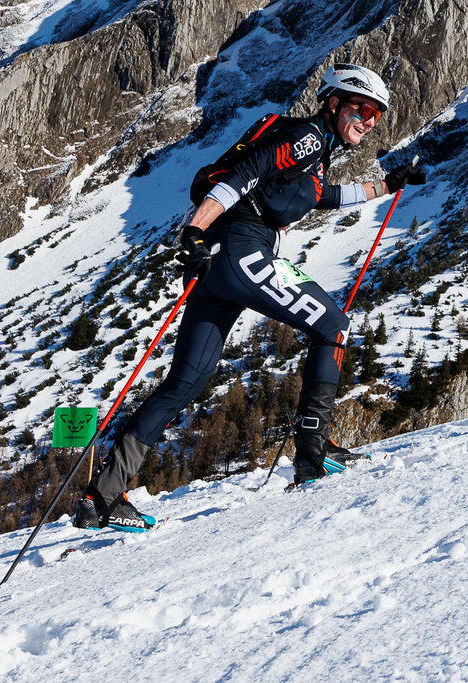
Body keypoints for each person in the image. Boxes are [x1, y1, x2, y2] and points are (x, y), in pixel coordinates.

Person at [79, 64, 426, 530]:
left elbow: (324, 196)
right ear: (333, 103)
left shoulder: (315, 155)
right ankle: (314, 453)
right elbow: (242, 176)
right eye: (361, 108)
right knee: (333, 325)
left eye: (377, 115)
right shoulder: (305, 137)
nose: (368, 120)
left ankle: (102, 496)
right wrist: (194, 231)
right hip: (241, 248)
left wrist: (388, 185)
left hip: (219, 264)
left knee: (184, 383)